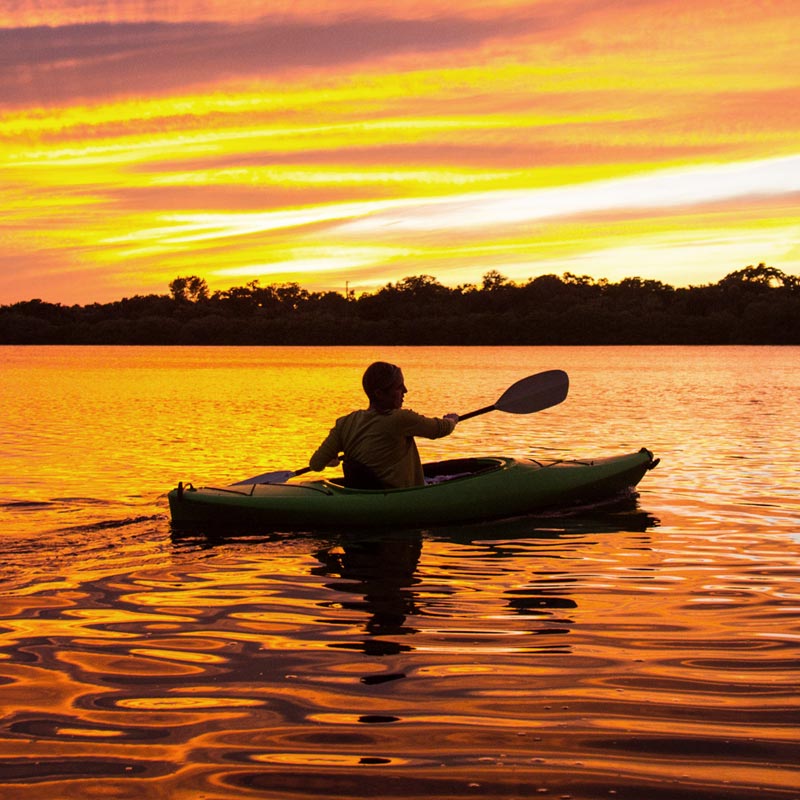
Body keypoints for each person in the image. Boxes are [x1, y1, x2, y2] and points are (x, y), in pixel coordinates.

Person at [309, 362, 459, 489]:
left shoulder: (344, 423)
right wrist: (452, 420)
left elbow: (316, 464)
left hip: (363, 494)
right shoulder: (400, 418)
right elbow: (439, 429)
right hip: (397, 496)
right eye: (399, 387)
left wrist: (330, 460)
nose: (405, 391)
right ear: (380, 394)